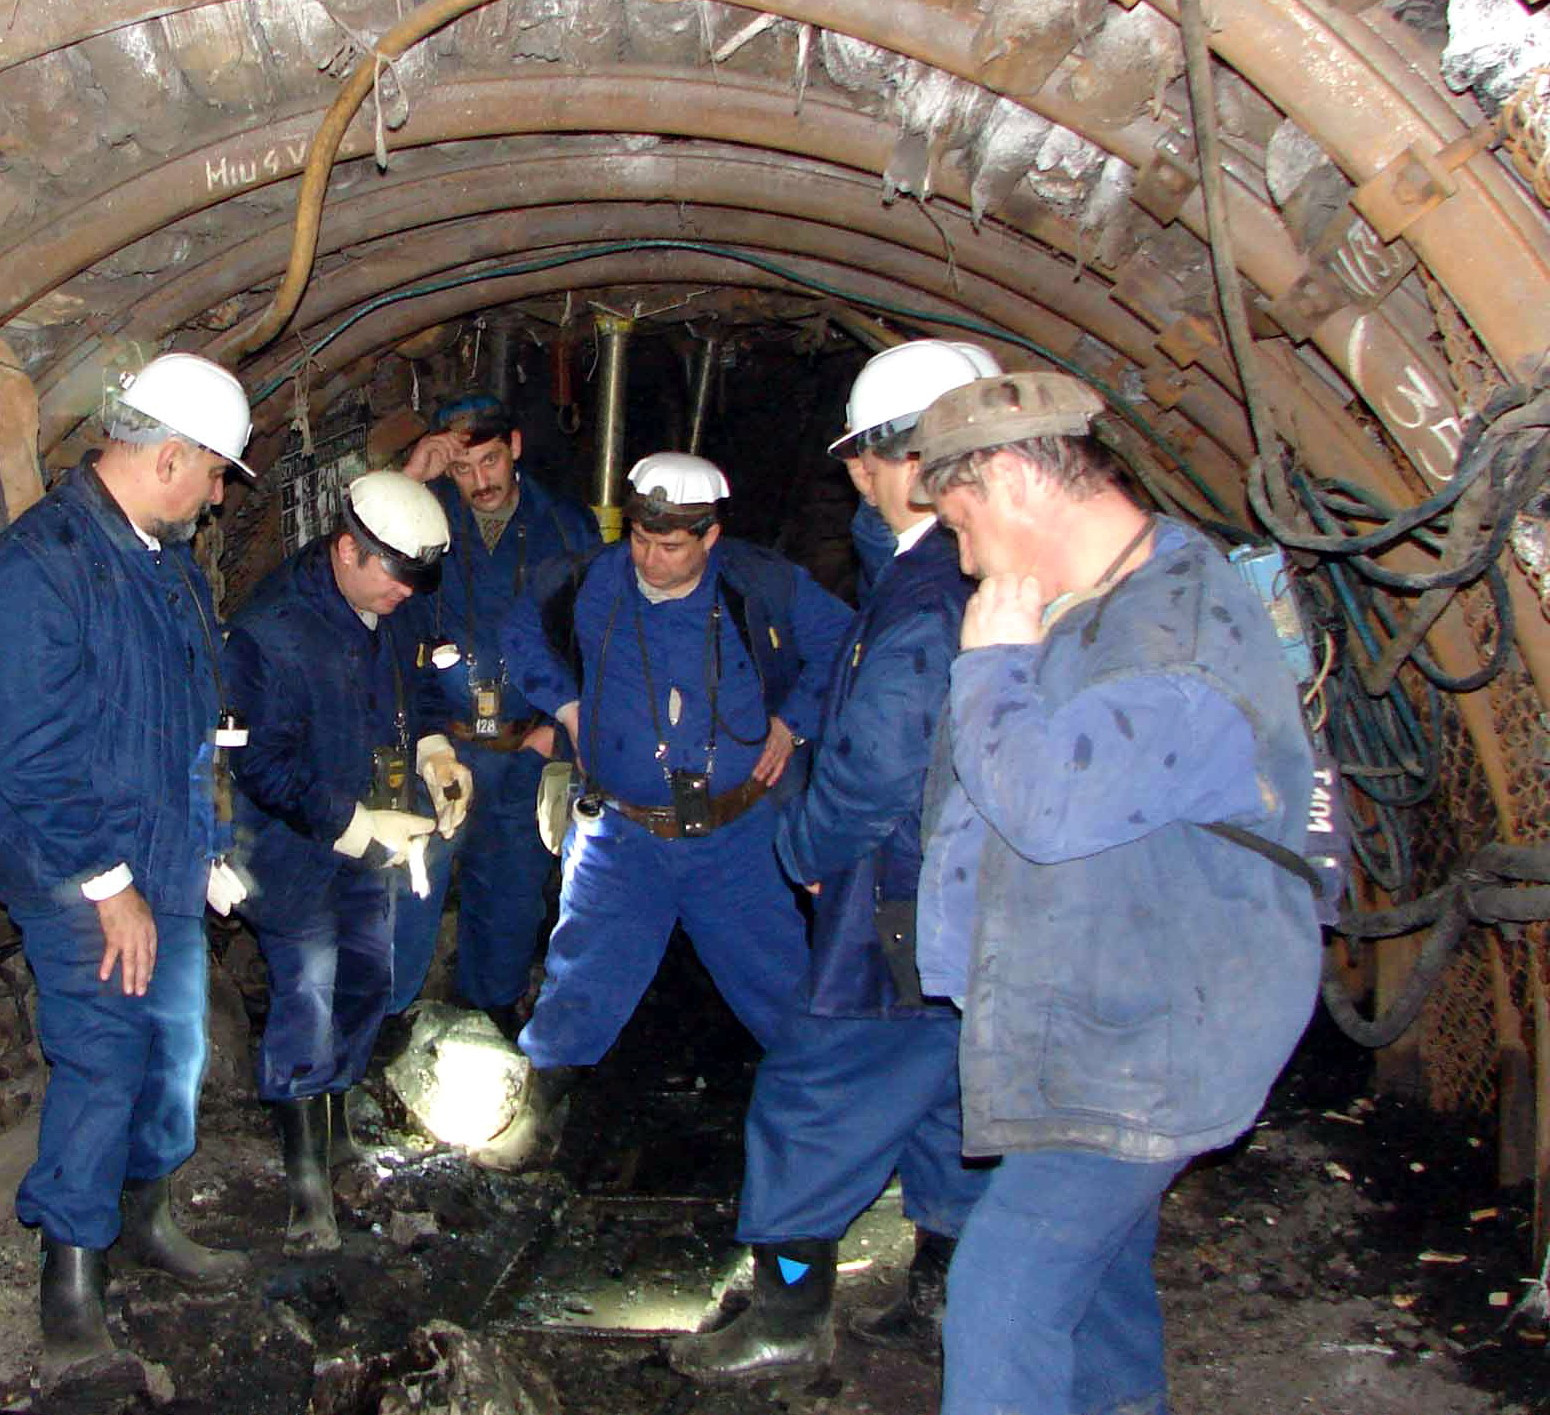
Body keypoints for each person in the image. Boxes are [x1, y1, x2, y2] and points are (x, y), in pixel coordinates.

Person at [910, 372, 1321, 1414]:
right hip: (1104, 1014)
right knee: (1099, 1284)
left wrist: (991, 666)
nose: (964, 559)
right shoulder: (1102, 604)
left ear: (1008, 477)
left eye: (961, 525)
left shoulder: (1171, 637)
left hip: (1154, 1038)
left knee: (1001, 1294)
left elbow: (1046, 802)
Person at [668, 341, 1000, 1382]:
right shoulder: (947, 568)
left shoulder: (925, 592)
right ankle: (947, 1286)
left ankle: (788, 1310)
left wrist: (802, 842)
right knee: (947, 1078)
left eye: (862, 460)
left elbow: (882, 759)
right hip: (959, 892)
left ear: (876, 461)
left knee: (817, 1085)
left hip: (901, 892)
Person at [0, 352, 256, 1368]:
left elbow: (186, 721)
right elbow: (29, 755)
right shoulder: (41, 562)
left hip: (164, 851)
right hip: (75, 862)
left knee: (176, 1045)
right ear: (169, 455)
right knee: (104, 1055)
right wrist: (110, 885)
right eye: (217, 471)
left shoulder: (166, 563)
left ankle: (146, 1212)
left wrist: (208, 843)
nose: (220, 494)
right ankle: (72, 1274)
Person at [487, 451, 852, 1168]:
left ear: (709, 537)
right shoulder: (591, 582)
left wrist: (794, 720)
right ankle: (535, 1115)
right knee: (582, 977)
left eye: (671, 544)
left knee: (784, 987)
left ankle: (831, 1129)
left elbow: (845, 643)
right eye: (642, 540)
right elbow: (520, 630)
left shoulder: (761, 585)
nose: (651, 559)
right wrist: (565, 704)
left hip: (736, 836)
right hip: (623, 838)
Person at [226, 470, 464, 1254]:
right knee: (308, 991)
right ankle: (305, 1189)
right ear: (347, 550)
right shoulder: (273, 632)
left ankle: (335, 1140)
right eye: (393, 582)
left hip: (373, 838)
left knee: (368, 980)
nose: (402, 598)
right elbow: (261, 764)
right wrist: (359, 822)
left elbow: (420, 680)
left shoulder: (392, 604)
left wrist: (433, 751)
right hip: (292, 848)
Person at [387, 392, 599, 1037]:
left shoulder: (566, 527)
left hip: (529, 741)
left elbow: (591, 634)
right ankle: (390, 1013)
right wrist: (411, 480)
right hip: (442, 742)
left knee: (512, 883)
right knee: (414, 879)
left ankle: (491, 1005)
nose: (479, 482)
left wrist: (553, 731)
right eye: (462, 469)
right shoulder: (422, 518)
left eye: (489, 462)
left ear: (515, 449)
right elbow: (376, 592)